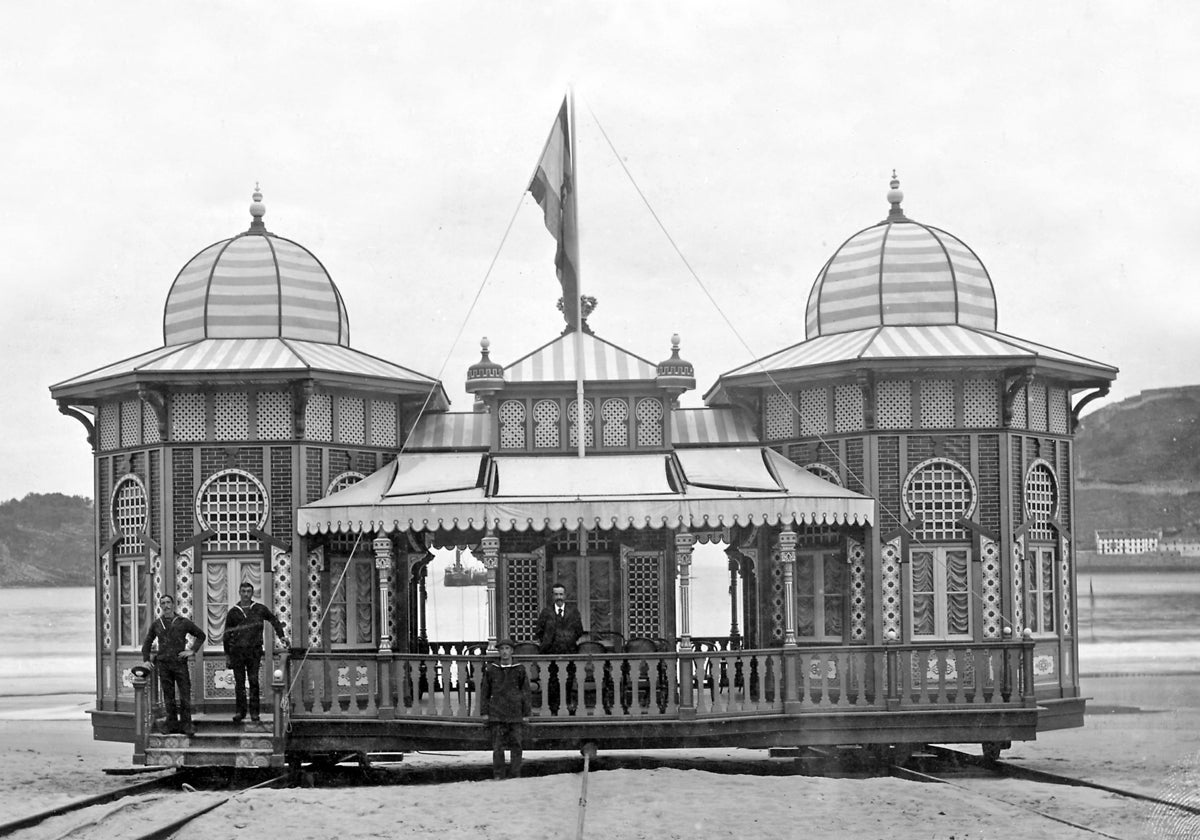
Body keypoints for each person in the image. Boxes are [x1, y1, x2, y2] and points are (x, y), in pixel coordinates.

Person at [222, 582, 288, 724]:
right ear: (239, 592)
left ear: (252, 593)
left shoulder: (259, 609)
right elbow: (226, 635)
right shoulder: (233, 612)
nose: (246, 594)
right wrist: (227, 655)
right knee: (239, 683)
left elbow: (274, 620)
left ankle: (254, 713)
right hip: (237, 653)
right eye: (243, 591)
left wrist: (282, 636)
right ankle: (240, 712)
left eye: (249, 591)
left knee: (253, 682)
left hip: (254, 652)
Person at [140, 594, 206, 736]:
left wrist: (192, 651)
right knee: (168, 696)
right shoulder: (157, 624)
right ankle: (171, 725)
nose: (166, 606)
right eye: (163, 603)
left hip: (180, 664)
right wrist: (146, 660)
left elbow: (201, 635)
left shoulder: (183, 622)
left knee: (185, 695)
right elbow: (147, 643)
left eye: (168, 602)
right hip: (164, 665)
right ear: (160, 606)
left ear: (173, 605)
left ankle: (186, 725)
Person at [478, 638, 532, 780]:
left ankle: (515, 774)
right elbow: (485, 692)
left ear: (512, 651)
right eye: (501, 649)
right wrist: (484, 712)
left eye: (507, 649)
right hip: (497, 713)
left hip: (515, 713)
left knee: (516, 746)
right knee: (498, 748)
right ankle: (498, 774)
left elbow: (525, 691)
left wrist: (526, 713)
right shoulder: (492, 670)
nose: (504, 652)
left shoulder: (519, 669)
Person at [533, 583, 584, 713]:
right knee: (552, 682)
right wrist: (547, 642)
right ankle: (553, 709)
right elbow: (538, 631)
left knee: (567, 681)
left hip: (569, 653)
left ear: (565, 596)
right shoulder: (546, 612)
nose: (559, 597)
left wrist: (568, 640)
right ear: (552, 596)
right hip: (551, 653)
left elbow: (579, 631)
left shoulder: (573, 612)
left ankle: (566, 707)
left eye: (561, 594)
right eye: (556, 594)